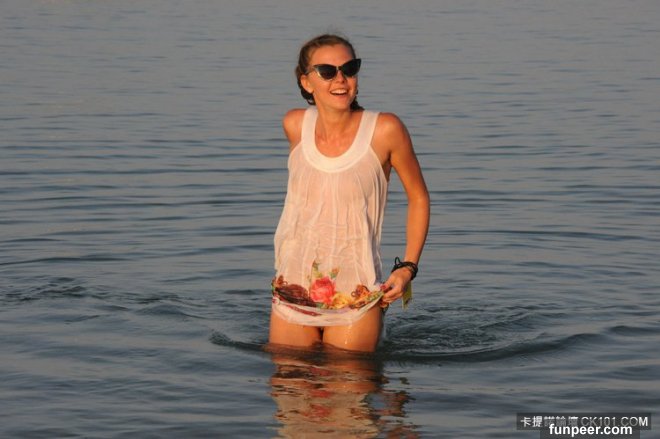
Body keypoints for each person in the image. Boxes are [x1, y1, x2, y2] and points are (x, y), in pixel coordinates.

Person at [269, 34, 430, 353]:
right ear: (306, 82)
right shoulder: (295, 125)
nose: (340, 79)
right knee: (288, 381)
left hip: (357, 296)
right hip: (293, 290)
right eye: (327, 71)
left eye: (349, 68)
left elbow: (419, 198)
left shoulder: (385, 130)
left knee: (347, 382)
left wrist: (408, 268)